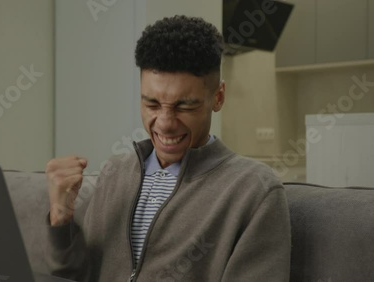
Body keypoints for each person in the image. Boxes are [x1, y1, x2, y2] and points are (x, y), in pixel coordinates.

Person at [44, 15, 291, 282]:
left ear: (217, 97)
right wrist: (61, 218)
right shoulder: (115, 173)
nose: (165, 124)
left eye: (185, 106)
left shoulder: (254, 190)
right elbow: (76, 276)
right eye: (152, 104)